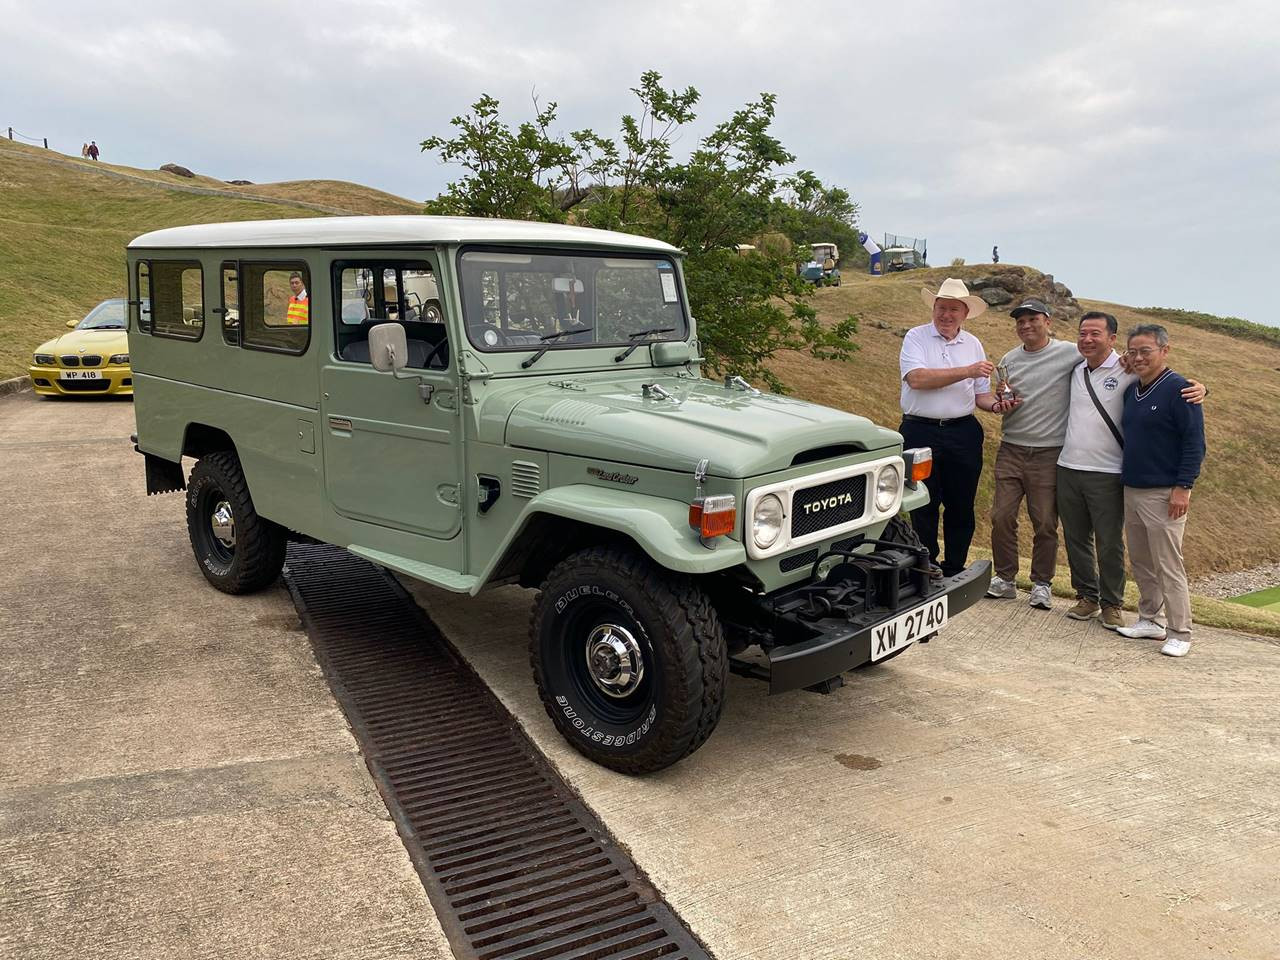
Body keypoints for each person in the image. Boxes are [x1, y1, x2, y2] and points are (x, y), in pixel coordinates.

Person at [1057, 312, 1205, 629]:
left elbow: (1182, 406)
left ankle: (1115, 604)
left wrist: (1202, 389)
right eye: (1082, 333)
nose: (1087, 339)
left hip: (1111, 471)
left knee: (1112, 543)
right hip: (1074, 467)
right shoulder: (1076, 367)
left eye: (1096, 333)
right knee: (1078, 539)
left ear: (1112, 339)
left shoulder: (1129, 371)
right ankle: (1090, 598)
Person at [899, 278, 1011, 576]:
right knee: (923, 501)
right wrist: (967, 370)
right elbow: (917, 379)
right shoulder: (916, 337)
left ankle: (955, 566)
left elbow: (981, 395)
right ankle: (925, 564)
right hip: (920, 430)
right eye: (941, 308)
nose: (946, 315)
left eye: (953, 309)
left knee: (961, 502)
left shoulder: (972, 343)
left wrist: (997, 406)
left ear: (965, 313)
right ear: (933, 309)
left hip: (962, 430)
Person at [1113, 324, 1206, 657]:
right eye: (1133, 351)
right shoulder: (1132, 391)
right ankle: (1150, 619)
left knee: (1169, 564)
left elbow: (1195, 443)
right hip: (1133, 487)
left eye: (1146, 351)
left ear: (1164, 351)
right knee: (1141, 561)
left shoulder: (1182, 390)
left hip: (1165, 491)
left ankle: (1180, 631)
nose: (1138, 358)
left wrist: (1184, 487)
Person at [984, 298, 1080, 609]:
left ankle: (1041, 583)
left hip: (1048, 452)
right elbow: (1002, 399)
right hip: (1011, 447)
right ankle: (1006, 579)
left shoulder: (1069, 352)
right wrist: (1003, 401)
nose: (1026, 325)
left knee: (1044, 521)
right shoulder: (1009, 359)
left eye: (1032, 319)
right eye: (1020, 321)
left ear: (1047, 322)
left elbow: (1106, 360)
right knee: (1001, 517)